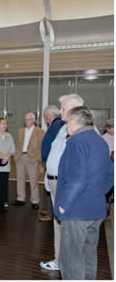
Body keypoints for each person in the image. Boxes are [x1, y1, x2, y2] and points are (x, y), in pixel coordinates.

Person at [55, 106, 114, 280]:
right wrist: (96, 193)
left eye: (67, 123)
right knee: (88, 256)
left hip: (76, 211)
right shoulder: (100, 141)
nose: (66, 127)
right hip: (96, 209)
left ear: (74, 122)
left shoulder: (76, 142)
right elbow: (111, 174)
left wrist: (63, 206)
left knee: (71, 260)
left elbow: (77, 180)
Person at [40, 93, 84, 271]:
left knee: (67, 226)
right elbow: (55, 154)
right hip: (55, 181)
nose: (60, 111)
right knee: (59, 225)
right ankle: (60, 260)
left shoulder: (81, 131)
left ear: (74, 109)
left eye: (63, 108)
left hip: (65, 184)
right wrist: (47, 177)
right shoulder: (63, 128)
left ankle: (67, 263)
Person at [12, 112, 45, 210]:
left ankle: (35, 201)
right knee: (20, 179)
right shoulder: (20, 131)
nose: (27, 121)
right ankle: (20, 198)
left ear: (34, 120)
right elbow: (18, 144)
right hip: (20, 156)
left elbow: (41, 147)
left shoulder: (40, 131)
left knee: (33, 180)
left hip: (32, 158)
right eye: (25, 119)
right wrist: (16, 156)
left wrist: (38, 159)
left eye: (29, 119)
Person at [39, 105, 65, 222]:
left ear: (49, 115)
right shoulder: (55, 124)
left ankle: (51, 213)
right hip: (50, 161)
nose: (45, 119)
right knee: (48, 187)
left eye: (45, 116)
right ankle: (50, 210)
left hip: (53, 164)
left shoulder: (57, 125)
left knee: (51, 188)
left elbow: (53, 145)